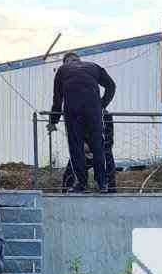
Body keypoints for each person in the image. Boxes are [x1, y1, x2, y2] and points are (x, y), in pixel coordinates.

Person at [50, 50, 117, 194]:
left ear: (66, 61)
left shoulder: (62, 70)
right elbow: (111, 86)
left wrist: (53, 121)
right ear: (79, 59)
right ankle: (102, 184)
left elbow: (57, 99)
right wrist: (101, 105)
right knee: (98, 146)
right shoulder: (93, 66)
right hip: (93, 112)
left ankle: (81, 183)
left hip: (73, 113)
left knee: (76, 148)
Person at [61, 111, 116, 193]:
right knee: (68, 175)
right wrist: (81, 145)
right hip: (83, 152)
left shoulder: (106, 115)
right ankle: (67, 195)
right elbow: (74, 134)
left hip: (101, 152)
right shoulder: (79, 113)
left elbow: (109, 140)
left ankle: (110, 193)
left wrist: (94, 149)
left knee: (109, 172)